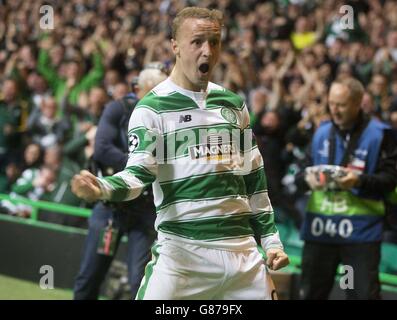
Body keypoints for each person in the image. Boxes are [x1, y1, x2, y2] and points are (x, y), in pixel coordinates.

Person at [72, 7, 289, 300]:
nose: (207, 51)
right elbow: (138, 176)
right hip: (183, 257)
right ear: (175, 45)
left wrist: (272, 241)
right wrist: (101, 188)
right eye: (197, 41)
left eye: (214, 42)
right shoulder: (152, 108)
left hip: (244, 259)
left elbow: (254, 179)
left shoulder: (234, 104)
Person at [297, 77, 397, 299]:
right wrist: (306, 179)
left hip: (359, 237)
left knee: (357, 294)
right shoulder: (321, 132)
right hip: (321, 233)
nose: (335, 110)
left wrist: (358, 181)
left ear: (358, 102)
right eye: (331, 103)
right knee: (312, 294)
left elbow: (390, 180)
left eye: (341, 105)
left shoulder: (381, 134)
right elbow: (299, 174)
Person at [73, 66, 167, 300]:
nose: (161, 98)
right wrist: (141, 163)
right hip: (111, 207)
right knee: (91, 274)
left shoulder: (167, 118)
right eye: (154, 91)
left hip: (145, 208)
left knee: (142, 281)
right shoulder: (118, 109)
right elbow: (102, 149)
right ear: (138, 89)